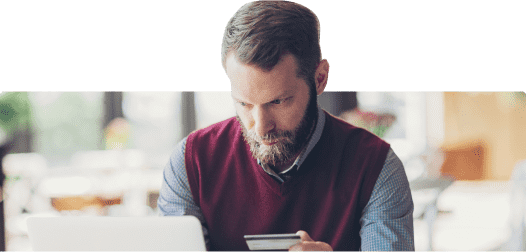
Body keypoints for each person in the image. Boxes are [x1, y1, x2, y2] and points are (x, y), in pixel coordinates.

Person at [158, 1, 414, 251]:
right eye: (244, 104)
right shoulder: (191, 164)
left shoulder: (376, 168)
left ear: (320, 79)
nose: (260, 128)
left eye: (278, 101)